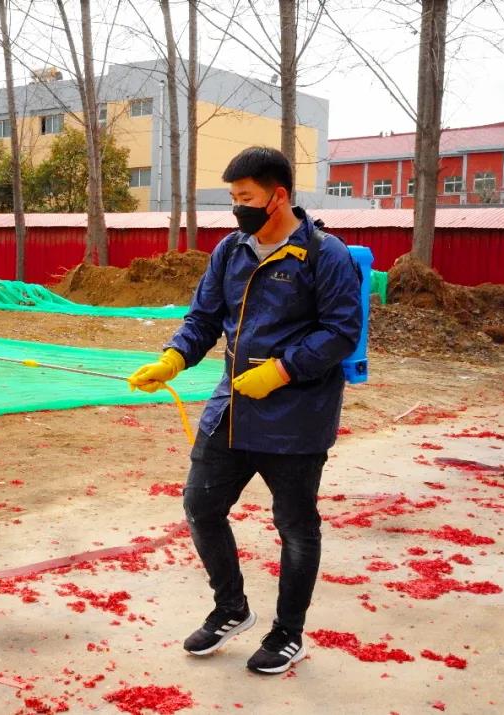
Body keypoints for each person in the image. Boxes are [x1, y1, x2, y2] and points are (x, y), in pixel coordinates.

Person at [127, 146, 362, 674]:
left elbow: (341, 332)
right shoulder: (231, 251)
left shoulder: (324, 255)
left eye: (246, 197)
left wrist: (282, 370)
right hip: (232, 406)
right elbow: (203, 318)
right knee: (201, 505)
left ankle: (288, 633)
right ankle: (231, 608)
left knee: (295, 526)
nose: (237, 207)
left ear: (278, 197)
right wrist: (172, 358)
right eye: (233, 197)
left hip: (297, 417)